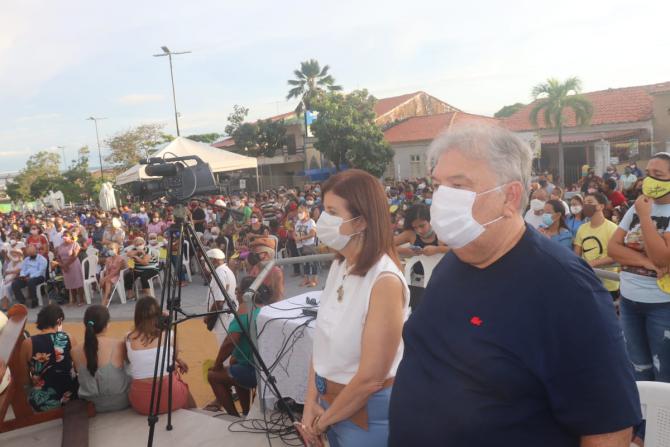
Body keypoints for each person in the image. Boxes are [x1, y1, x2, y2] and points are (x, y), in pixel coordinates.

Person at [388, 125, 641, 446]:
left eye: (458, 186)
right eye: (438, 185)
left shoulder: (567, 291)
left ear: (510, 197)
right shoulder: (453, 263)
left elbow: (609, 430)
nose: (441, 199)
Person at [300, 169, 409, 447]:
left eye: (332, 211)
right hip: (329, 405)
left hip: (365, 415)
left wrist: (321, 425)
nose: (322, 220)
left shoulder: (384, 280)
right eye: (323, 209)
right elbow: (321, 344)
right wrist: (310, 403)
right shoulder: (340, 265)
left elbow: (371, 377)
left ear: (360, 221)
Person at [609, 152, 670, 443]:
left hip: (662, 305)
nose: (650, 180)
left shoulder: (643, 210)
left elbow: (663, 256)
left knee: (663, 372)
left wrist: (645, 217)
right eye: (649, 172)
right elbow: (613, 248)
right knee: (637, 368)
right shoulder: (636, 206)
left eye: (658, 175)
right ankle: (640, 431)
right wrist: (646, 263)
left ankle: (660, 433)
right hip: (630, 301)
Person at [206, 277, 271, 415]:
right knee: (235, 366)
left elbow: (230, 342)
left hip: (257, 372)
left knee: (213, 375)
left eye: (238, 290)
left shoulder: (243, 312)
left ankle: (233, 416)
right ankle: (246, 412)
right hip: (268, 368)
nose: (236, 292)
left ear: (244, 293)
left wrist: (217, 364)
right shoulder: (265, 309)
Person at [126, 297, 195, 415]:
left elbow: (129, 360)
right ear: (158, 315)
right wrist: (168, 323)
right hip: (172, 399)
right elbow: (173, 355)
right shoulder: (169, 334)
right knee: (177, 378)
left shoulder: (128, 338)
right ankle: (196, 412)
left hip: (142, 404)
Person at [71, 305, 130, 412]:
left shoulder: (75, 351)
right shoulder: (119, 345)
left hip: (90, 404)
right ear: (106, 325)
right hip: (121, 401)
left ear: (85, 324)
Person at [20, 304, 78, 411]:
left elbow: (24, 378)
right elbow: (77, 367)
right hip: (72, 395)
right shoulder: (69, 338)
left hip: (43, 401)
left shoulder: (28, 343)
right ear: (59, 321)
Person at [574, 192, 621, 301]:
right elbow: (576, 254)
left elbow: (615, 256)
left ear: (601, 206)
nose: (586, 205)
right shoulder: (582, 228)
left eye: (590, 202)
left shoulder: (612, 228)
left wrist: (591, 264)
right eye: (584, 202)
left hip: (608, 284)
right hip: (587, 281)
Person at [205, 248, 238, 346]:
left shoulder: (219, 273)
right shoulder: (226, 270)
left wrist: (209, 317)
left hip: (223, 318)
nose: (205, 265)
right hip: (227, 315)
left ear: (214, 260)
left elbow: (219, 301)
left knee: (224, 346)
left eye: (206, 261)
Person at [55, 230, 85, 306]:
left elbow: (74, 256)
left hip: (73, 265)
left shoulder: (75, 244)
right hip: (64, 266)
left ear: (70, 236)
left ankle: (81, 300)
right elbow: (58, 257)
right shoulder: (61, 245)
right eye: (63, 236)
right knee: (70, 283)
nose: (64, 237)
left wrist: (66, 265)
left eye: (66, 236)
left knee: (78, 282)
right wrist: (62, 265)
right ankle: (74, 300)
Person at [294, 205, 319, 287]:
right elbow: (294, 232)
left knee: (312, 262)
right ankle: (306, 279)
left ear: (306, 213)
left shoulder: (311, 222)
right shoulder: (298, 222)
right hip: (299, 246)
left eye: (301, 212)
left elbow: (312, 234)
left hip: (309, 245)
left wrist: (301, 238)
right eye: (298, 212)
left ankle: (314, 279)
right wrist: (295, 237)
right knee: (304, 263)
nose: (299, 214)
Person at [2, 246, 23, 311]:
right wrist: (9, 273)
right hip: (6, 279)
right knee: (2, 286)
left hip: (14, 280)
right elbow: (5, 272)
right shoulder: (10, 263)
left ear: (19, 255)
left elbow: (17, 273)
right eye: (13, 253)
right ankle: (3, 304)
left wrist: (9, 273)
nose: (14, 255)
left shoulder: (21, 263)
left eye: (16, 253)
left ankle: (5, 305)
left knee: (6, 287)